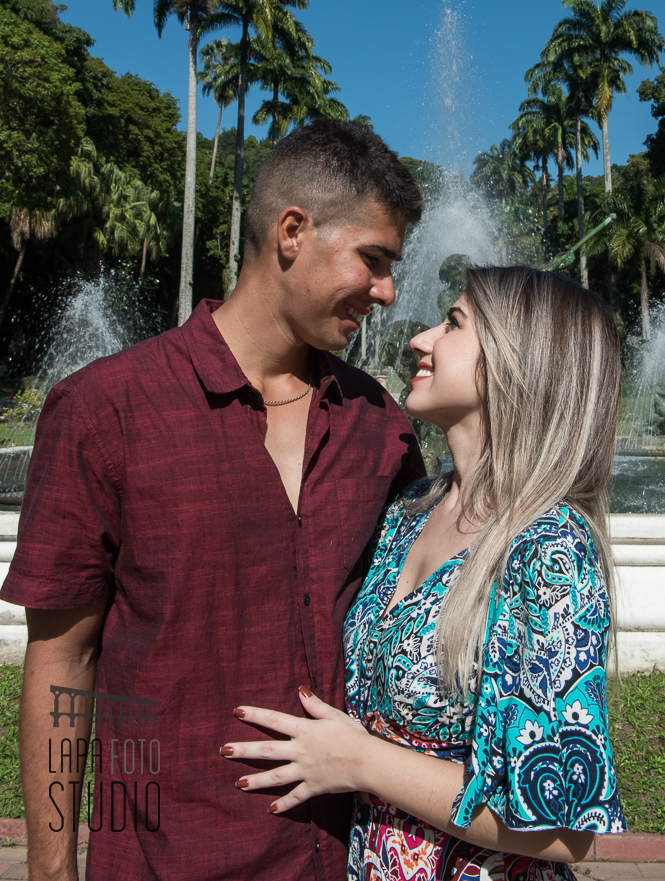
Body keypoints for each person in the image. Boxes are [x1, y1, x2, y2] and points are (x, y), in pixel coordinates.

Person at [1, 121, 426, 881]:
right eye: (373, 259)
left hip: (343, 859)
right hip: (165, 858)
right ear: (292, 232)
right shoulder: (106, 410)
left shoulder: (379, 425)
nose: (389, 292)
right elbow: (64, 657)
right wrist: (53, 869)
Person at [222, 266, 626, 880]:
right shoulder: (412, 511)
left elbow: (562, 830)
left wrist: (359, 761)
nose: (420, 338)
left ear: (519, 363)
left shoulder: (548, 548)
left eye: (454, 323)